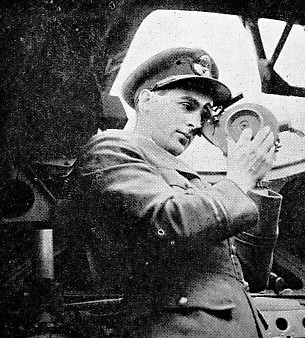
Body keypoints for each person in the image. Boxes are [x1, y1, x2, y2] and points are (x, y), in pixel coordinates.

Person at [57, 47, 281, 337]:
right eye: (187, 106)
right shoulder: (111, 150)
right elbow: (166, 223)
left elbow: (252, 276)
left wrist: (256, 182)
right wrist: (238, 180)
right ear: (146, 100)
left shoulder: (196, 184)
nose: (197, 123)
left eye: (204, 113)